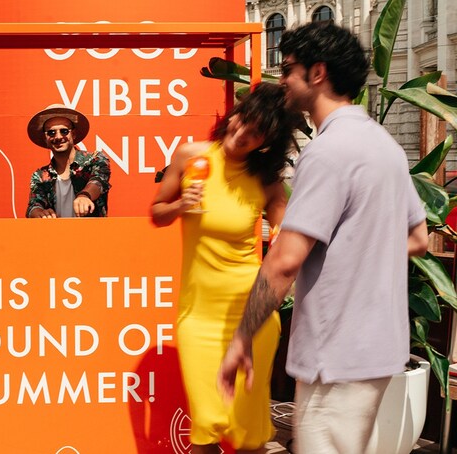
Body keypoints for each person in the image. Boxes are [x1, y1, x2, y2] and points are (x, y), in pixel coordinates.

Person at [218, 23, 429, 454]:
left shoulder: (328, 151)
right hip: (378, 348)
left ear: (317, 73)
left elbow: (285, 260)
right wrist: (358, 257)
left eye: (288, 69)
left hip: (335, 352)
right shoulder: (383, 144)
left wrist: (241, 338)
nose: (282, 81)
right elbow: (418, 237)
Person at [150, 82, 300, 454]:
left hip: (251, 315)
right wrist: (180, 206)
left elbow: (290, 241)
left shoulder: (267, 181)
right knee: (205, 429)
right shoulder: (190, 156)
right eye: (241, 119)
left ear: (267, 142)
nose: (242, 132)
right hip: (198, 314)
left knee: (248, 433)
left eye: (256, 132)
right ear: (233, 114)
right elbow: (156, 213)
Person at [26, 104, 111, 218]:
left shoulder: (95, 159)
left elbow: (98, 181)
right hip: (55, 234)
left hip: (92, 233)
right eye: (51, 132)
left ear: (73, 134)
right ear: (45, 138)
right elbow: (34, 205)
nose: (58, 137)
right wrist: (38, 213)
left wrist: (85, 196)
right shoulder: (40, 175)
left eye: (64, 131)